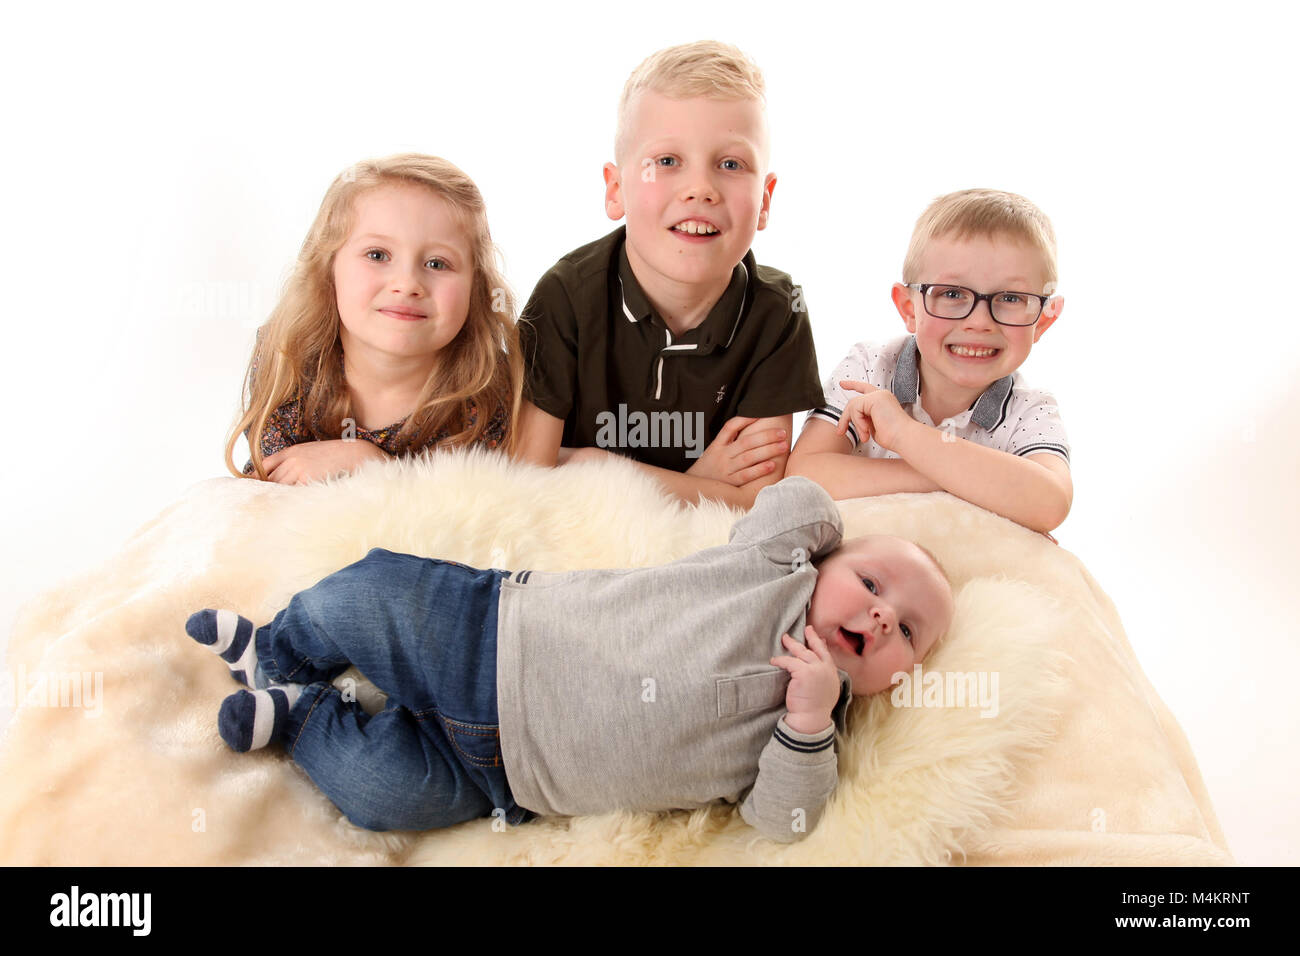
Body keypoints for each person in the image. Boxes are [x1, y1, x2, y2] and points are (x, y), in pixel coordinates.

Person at [185, 477, 954, 844]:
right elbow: (801, 500)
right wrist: (830, 534)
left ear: (902, 674)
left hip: (500, 776)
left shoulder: (811, 730)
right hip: (498, 638)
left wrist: (811, 717)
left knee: (379, 793)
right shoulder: (769, 570)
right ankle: (279, 651)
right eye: (872, 582)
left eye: (909, 631)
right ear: (828, 564)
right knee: (367, 597)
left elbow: (783, 820)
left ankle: (305, 715)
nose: (884, 615)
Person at [513, 41, 824, 509]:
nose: (701, 189)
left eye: (731, 164)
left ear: (764, 200)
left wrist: (590, 465)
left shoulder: (778, 311)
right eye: (667, 161)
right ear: (616, 190)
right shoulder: (565, 297)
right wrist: (704, 482)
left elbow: (758, 499)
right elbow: (525, 479)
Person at [788, 189, 1073, 534]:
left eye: (1011, 298)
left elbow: (1049, 502)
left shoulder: (1030, 410)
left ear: (1043, 320)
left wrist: (906, 435)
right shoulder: (869, 368)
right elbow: (804, 476)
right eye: (952, 294)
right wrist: (954, 478)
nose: (979, 322)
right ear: (909, 308)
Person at [225, 154, 521, 483]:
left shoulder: (487, 391)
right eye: (377, 255)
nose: (408, 284)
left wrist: (372, 463)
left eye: (437, 263)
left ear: (475, 286)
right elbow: (272, 490)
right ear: (328, 267)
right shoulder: (288, 358)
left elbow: (475, 516)